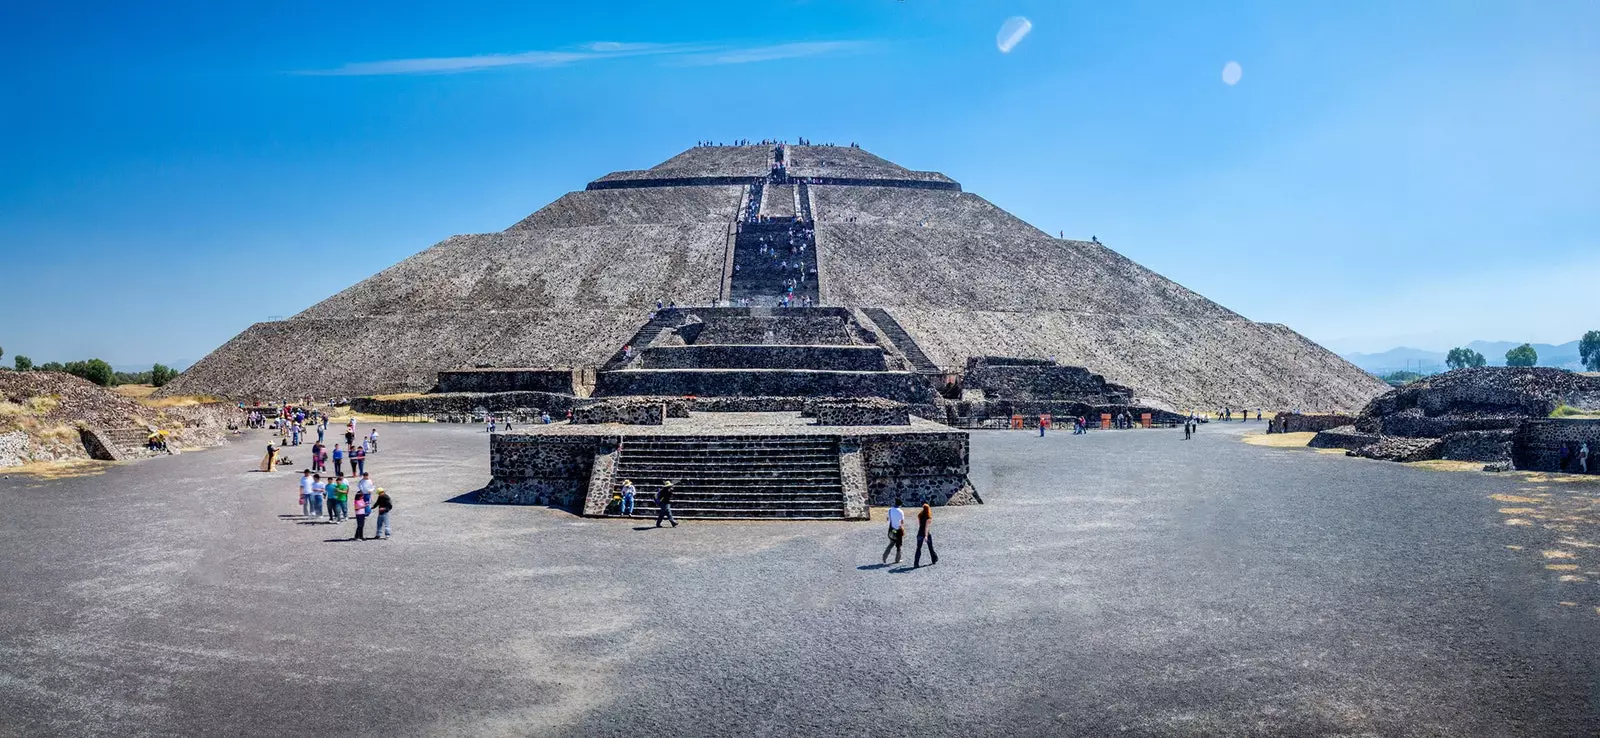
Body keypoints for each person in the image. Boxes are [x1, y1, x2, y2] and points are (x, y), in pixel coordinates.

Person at [882, 498, 906, 564]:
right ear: (900, 504)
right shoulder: (901, 511)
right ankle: (897, 559)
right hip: (898, 531)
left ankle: (884, 556)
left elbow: (888, 519)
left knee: (891, 544)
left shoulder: (890, 510)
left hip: (892, 530)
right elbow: (902, 522)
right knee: (899, 546)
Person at [914, 503, 938, 567]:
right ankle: (934, 559)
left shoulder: (919, 515)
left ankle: (916, 563)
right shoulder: (928, 517)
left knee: (918, 548)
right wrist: (926, 536)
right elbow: (926, 527)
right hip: (925, 534)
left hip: (919, 533)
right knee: (930, 547)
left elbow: (920, 525)